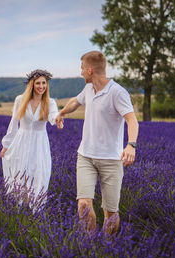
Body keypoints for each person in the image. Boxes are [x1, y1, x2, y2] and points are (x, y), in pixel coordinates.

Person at [55, 51, 139, 235]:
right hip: (86, 156)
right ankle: (90, 247)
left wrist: (131, 145)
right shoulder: (88, 89)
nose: (81, 73)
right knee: (83, 205)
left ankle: (106, 248)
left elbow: (132, 120)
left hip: (111, 159)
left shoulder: (117, 92)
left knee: (111, 213)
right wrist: (61, 113)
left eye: (82, 69)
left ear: (90, 70)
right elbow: (75, 102)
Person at [0, 69, 60, 208]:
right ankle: (19, 210)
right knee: (20, 176)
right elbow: (14, 123)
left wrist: (58, 120)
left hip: (39, 144)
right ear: (31, 84)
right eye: (38, 83)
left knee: (39, 175)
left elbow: (53, 115)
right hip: (21, 142)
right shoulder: (20, 100)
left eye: (44, 83)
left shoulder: (50, 102)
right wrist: (6, 145)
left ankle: (35, 211)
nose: (41, 86)